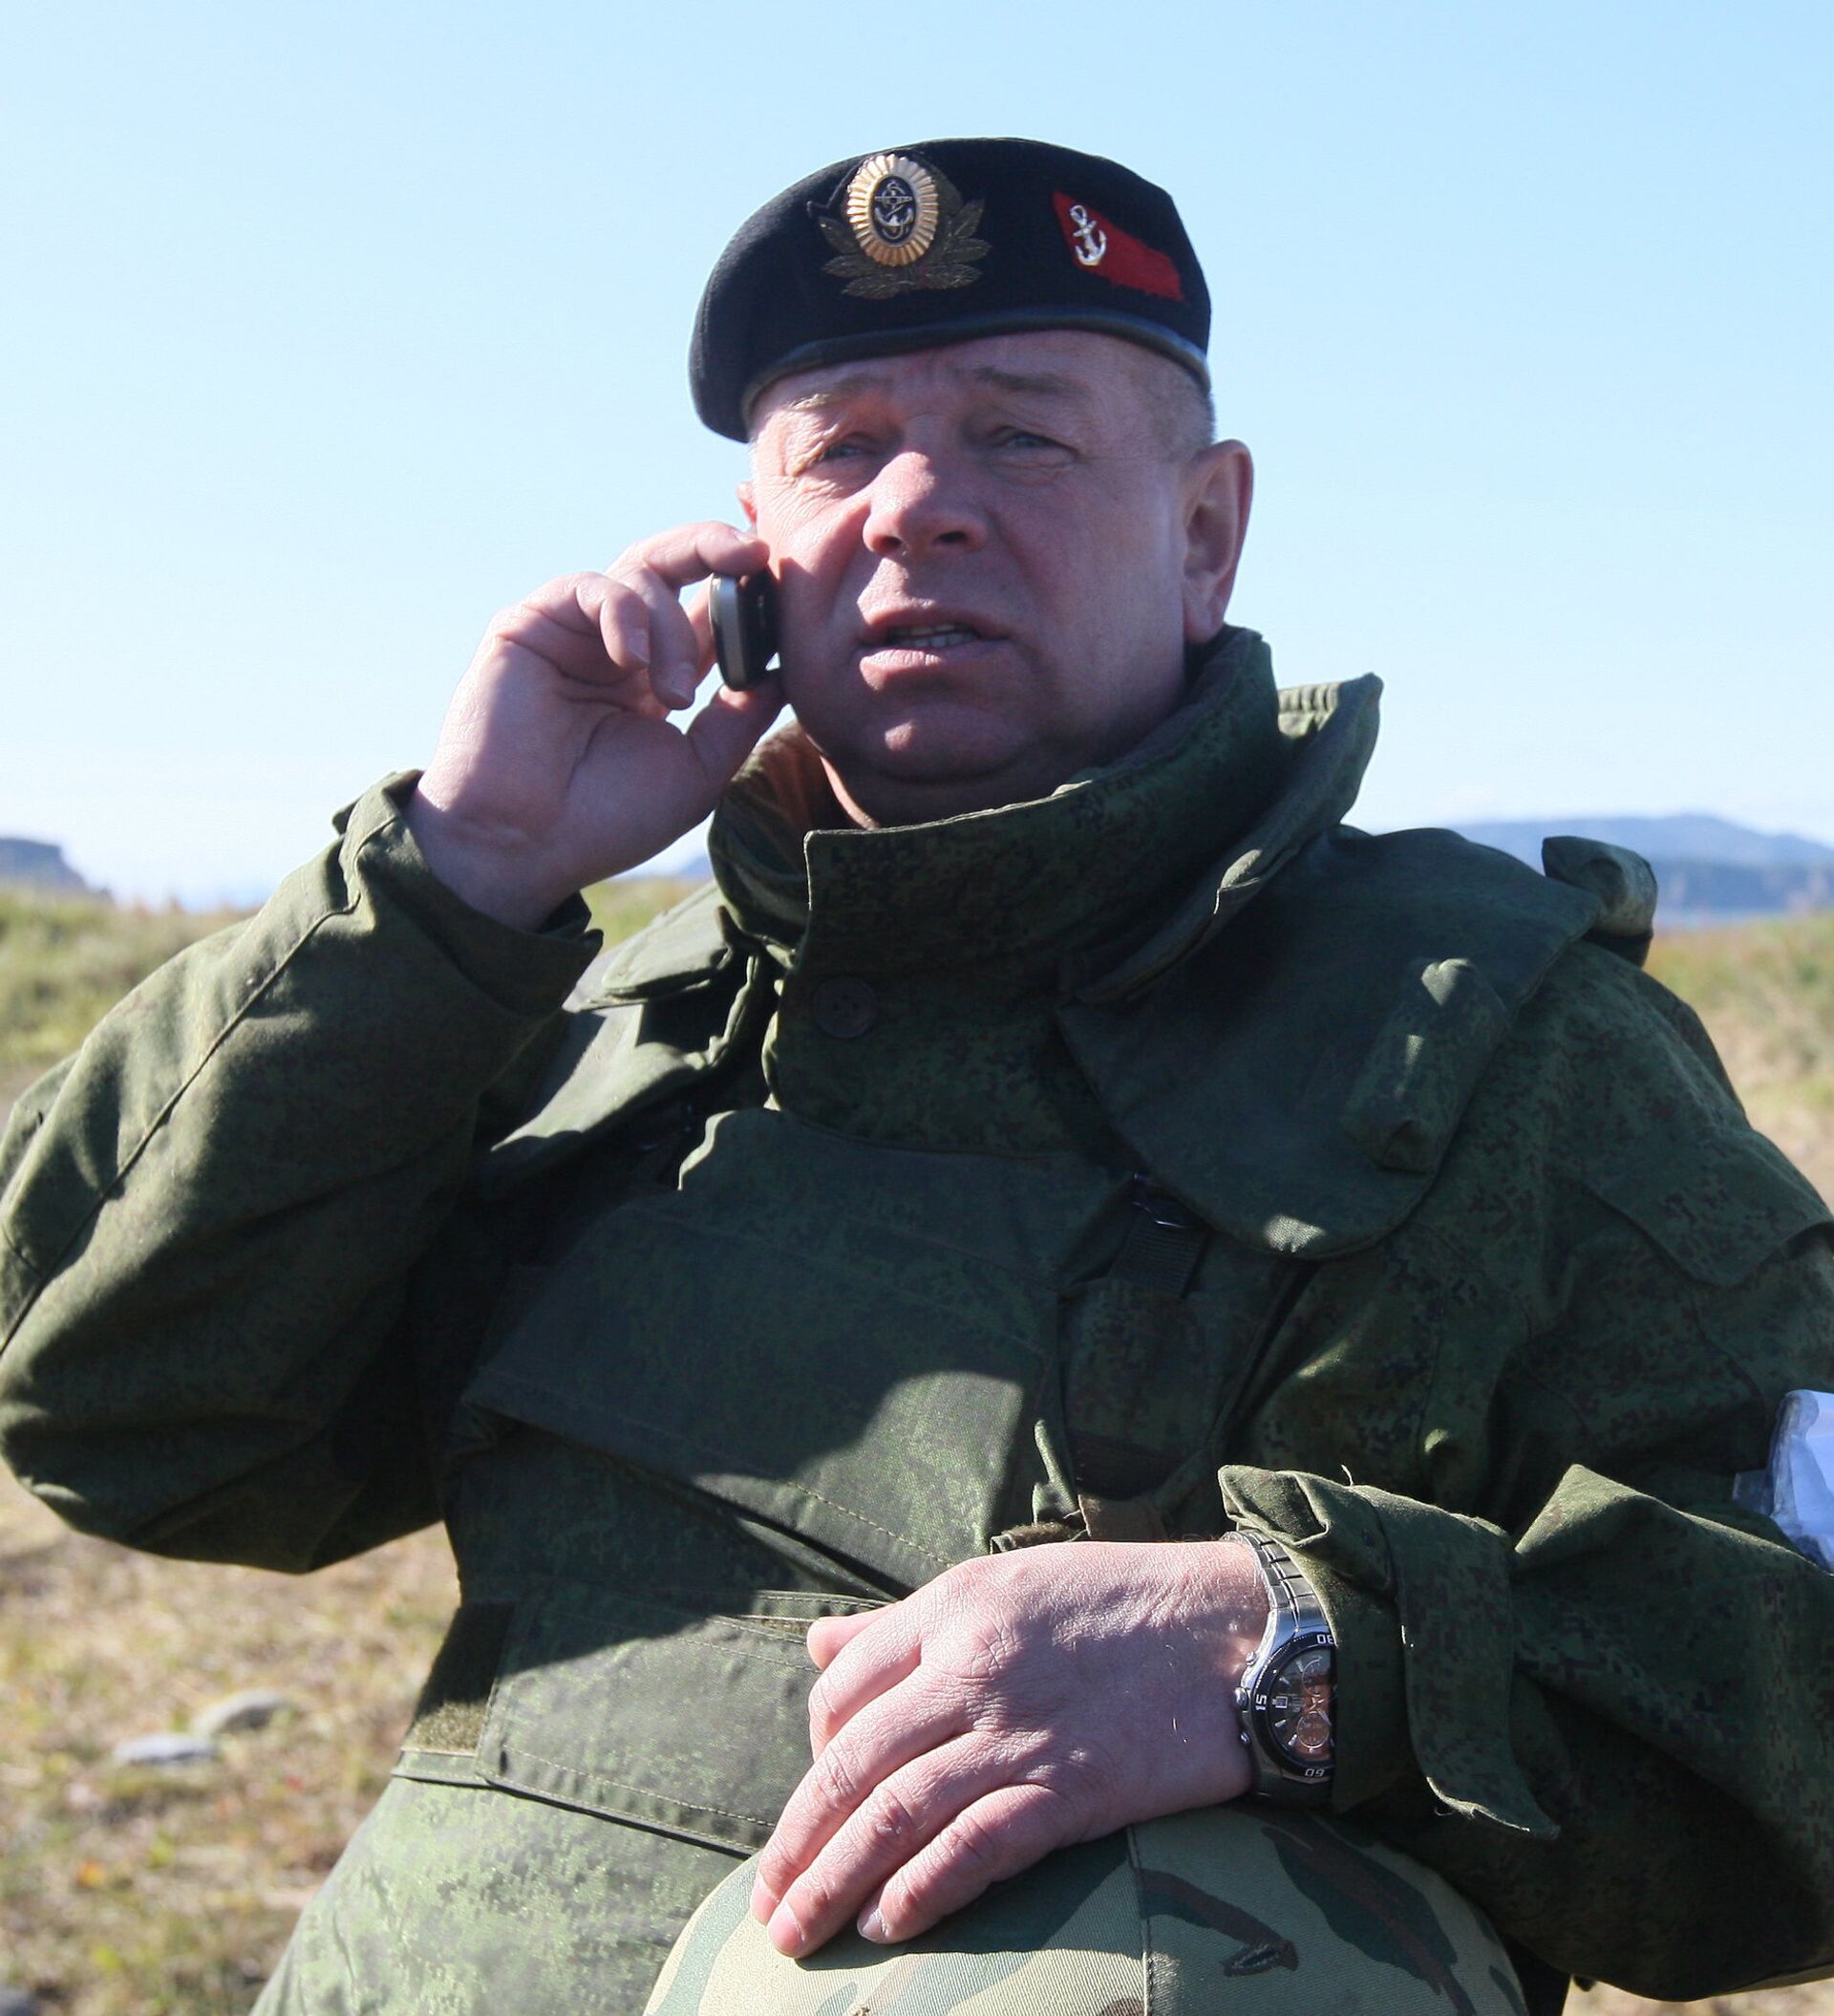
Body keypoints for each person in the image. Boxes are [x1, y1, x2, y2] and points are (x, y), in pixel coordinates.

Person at [2, 138, 1832, 2016]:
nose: (916, 508)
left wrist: (1293, 1642)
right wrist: (457, 871)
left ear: (1206, 532)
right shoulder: (613, 1011)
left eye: (1021, 438)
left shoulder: (1487, 1044)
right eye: (842, 448)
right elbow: (125, 1415)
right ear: (746, 553)